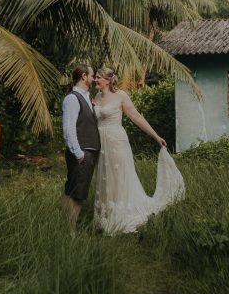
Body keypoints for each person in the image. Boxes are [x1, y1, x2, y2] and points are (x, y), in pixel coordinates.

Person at [92, 67, 185, 234]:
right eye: (95, 77)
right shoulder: (97, 97)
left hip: (116, 142)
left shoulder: (121, 95)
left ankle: (120, 215)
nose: (95, 80)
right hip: (101, 145)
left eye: (98, 77)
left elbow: (136, 117)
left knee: (119, 178)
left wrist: (156, 136)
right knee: (106, 178)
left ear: (107, 80)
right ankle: (106, 217)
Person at [60, 63, 100, 226]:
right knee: (78, 194)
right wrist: (79, 153)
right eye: (92, 75)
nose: (93, 78)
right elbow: (68, 128)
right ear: (84, 76)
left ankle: (62, 224)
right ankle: (70, 232)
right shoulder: (72, 98)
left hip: (86, 151)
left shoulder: (85, 97)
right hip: (82, 152)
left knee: (73, 190)